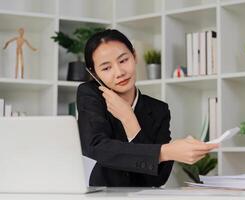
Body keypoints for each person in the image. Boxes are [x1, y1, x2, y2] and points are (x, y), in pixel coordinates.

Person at [77, 29, 218, 187]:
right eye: (106, 68)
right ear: (94, 73)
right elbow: (96, 147)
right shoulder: (90, 94)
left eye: (123, 60)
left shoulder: (159, 110)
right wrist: (166, 151)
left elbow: (157, 179)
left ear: (135, 56)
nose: (119, 72)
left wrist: (130, 121)